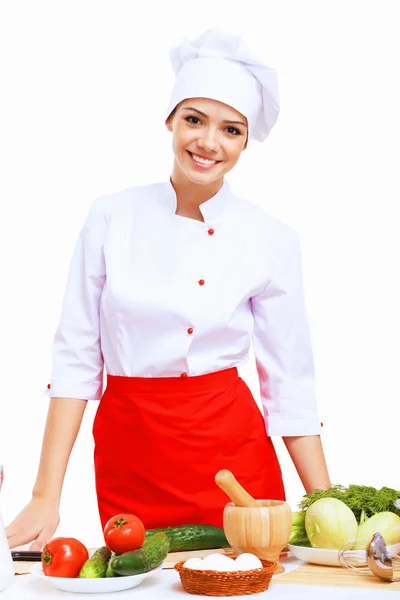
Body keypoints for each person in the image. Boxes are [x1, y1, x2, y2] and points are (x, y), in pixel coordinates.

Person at [7, 28, 331, 551]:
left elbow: (289, 383)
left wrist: (327, 508)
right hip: (133, 450)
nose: (208, 142)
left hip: (234, 463)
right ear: (169, 121)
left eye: (231, 129)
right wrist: (46, 493)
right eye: (194, 120)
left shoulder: (271, 238)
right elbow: (75, 360)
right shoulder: (112, 216)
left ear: (246, 142)